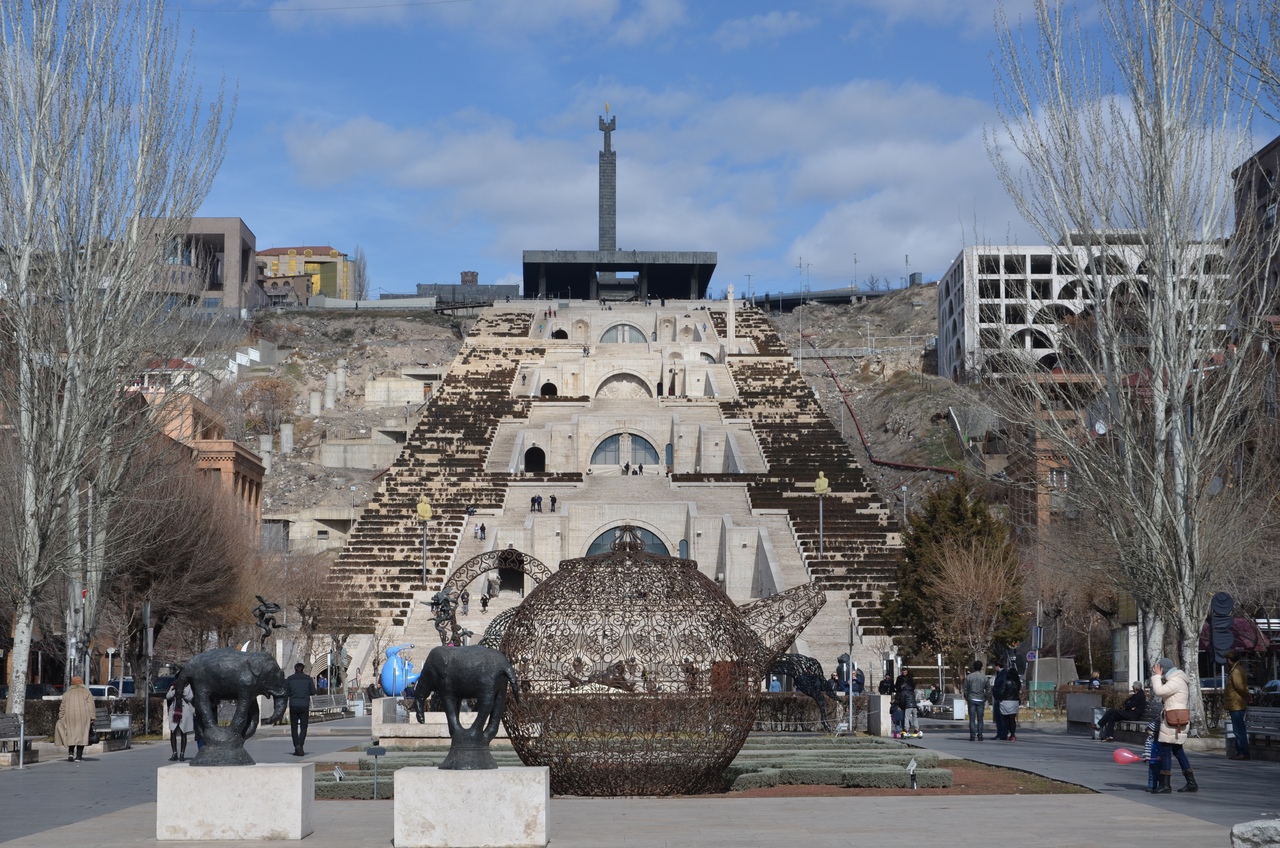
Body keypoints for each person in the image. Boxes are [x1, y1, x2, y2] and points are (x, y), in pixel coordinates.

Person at [1151, 657, 1196, 793]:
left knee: (1165, 750)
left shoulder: (1176, 680)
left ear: (1163, 669)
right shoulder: (1177, 679)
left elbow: (1159, 691)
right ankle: (1191, 782)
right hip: (1174, 720)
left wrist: (1157, 676)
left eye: (1159, 669)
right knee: (1177, 750)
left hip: (1173, 721)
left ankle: (1165, 784)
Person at [54, 675, 95, 762]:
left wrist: (61, 717)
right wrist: (92, 717)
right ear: (82, 682)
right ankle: (79, 757)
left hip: (70, 717)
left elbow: (62, 708)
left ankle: (71, 753)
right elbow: (91, 706)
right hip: (83, 717)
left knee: (71, 735)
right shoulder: (86, 692)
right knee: (82, 736)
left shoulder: (67, 694)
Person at [286, 662, 317, 757]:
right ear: (303, 669)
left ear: (295, 669)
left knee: (294, 727)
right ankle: (300, 745)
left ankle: (297, 746)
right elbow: (313, 692)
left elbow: (286, 692)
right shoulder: (308, 679)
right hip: (304, 705)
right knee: (304, 727)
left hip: (293, 705)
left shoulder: (289, 679)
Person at [1226, 651, 1252, 761]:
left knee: (1238, 730)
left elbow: (1240, 687)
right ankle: (1240, 751)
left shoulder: (1236, 671)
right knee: (1237, 729)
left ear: (1229, 660)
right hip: (1235, 704)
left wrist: (1248, 697)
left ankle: (1243, 752)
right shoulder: (1236, 670)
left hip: (1237, 704)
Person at [165, 678, 195, 761]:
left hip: (184, 710)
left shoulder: (188, 686)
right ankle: (174, 753)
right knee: (173, 731)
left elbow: (190, 697)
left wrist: (183, 693)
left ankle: (182, 753)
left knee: (183, 732)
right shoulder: (173, 686)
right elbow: (168, 696)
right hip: (174, 711)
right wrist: (174, 691)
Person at [964, 660, 990, 741]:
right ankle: (980, 735)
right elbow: (988, 689)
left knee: (972, 718)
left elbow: (965, 689)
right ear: (981, 667)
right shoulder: (984, 677)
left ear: (973, 667)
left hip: (971, 698)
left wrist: (967, 697)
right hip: (980, 698)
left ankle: (972, 736)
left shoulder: (969, 677)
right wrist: (985, 697)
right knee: (980, 718)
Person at [999, 667, 1022, 741]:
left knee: (1006, 719)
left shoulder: (1006, 682)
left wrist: (1000, 698)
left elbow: (1002, 691)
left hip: (1006, 701)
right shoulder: (1018, 682)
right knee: (1012, 719)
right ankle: (1012, 734)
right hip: (1015, 701)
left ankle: (1009, 733)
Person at [895, 671, 920, 737]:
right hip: (914, 705)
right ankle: (917, 729)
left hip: (908, 706)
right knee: (915, 717)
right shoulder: (911, 690)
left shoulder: (903, 691)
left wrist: (901, 706)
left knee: (907, 717)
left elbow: (902, 700)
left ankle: (906, 729)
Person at [991, 659, 1009, 740]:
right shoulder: (999, 674)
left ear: (998, 666)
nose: (994, 667)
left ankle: (1003, 733)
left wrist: (1000, 696)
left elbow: (1003, 686)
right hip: (997, 698)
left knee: (1002, 717)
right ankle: (999, 733)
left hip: (1001, 699)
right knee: (997, 717)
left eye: (995, 666)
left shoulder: (1004, 674)